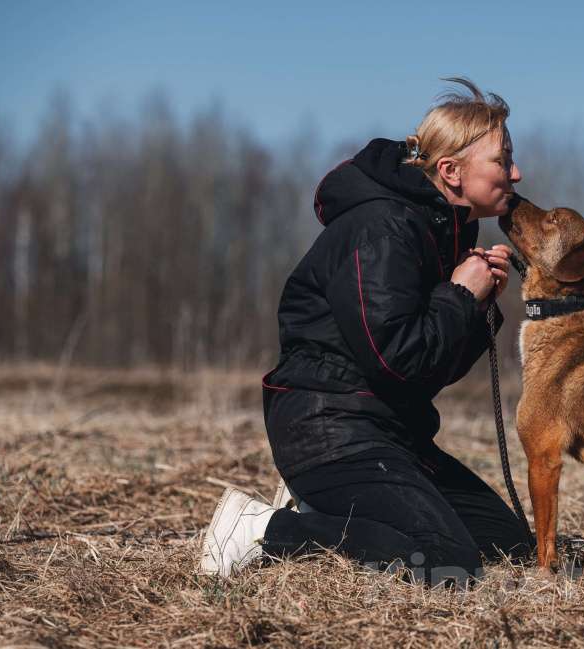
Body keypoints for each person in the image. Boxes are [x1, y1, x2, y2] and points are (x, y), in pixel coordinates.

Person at [199, 79, 531, 584]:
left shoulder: (441, 232)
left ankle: (336, 510)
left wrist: (478, 304)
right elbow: (398, 359)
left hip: (392, 435)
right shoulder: (384, 227)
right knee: (446, 563)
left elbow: (434, 368)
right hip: (329, 429)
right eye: (502, 160)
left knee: (509, 547)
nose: (516, 173)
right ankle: (266, 530)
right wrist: (460, 296)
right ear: (451, 171)